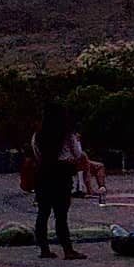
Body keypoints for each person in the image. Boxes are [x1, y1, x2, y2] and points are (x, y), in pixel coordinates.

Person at [31, 102, 88, 259]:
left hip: (43, 174)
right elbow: (78, 154)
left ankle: (44, 249)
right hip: (61, 174)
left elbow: (36, 154)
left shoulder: (38, 134)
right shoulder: (67, 134)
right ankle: (67, 250)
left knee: (43, 213)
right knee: (61, 215)